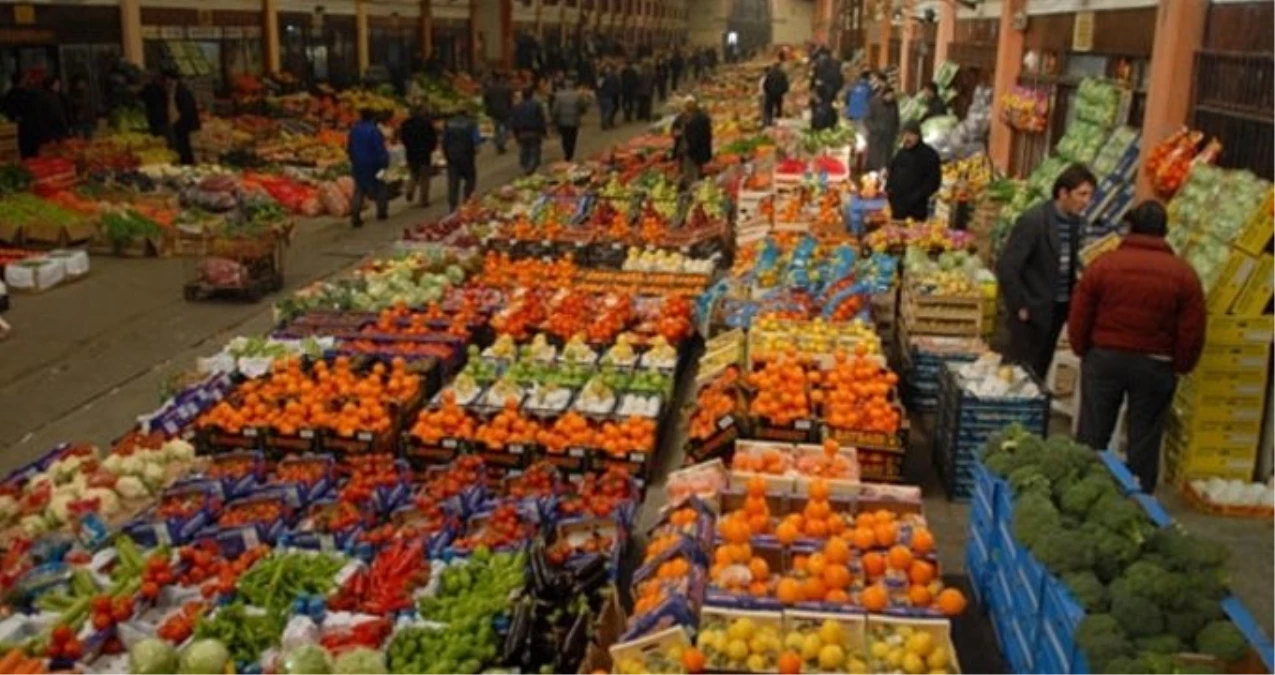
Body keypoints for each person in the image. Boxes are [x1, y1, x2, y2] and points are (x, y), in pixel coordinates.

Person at [1069, 202, 1206, 490]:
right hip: (1156, 365)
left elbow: (1080, 313)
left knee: (1093, 432)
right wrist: (1179, 365)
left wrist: (1083, 350)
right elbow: (1192, 330)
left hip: (1105, 358)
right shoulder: (1184, 275)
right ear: (1165, 231)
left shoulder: (1104, 265)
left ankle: (1082, 492)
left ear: (1130, 228)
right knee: (1144, 438)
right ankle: (1140, 501)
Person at [996, 163, 1098, 379]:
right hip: (1032, 311)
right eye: (1082, 194)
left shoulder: (1074, 224)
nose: (1086, 201)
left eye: (1090, 196)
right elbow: (1007, 266)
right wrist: (1020, 305)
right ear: (1063, 192)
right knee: (1022, 373)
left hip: (1057, 310)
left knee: (1041, 369)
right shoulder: (1034, 221)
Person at [885, 121, 941, 222]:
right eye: (905, 134)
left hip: (916, 211)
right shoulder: (901, 154)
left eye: (911, 134)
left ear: (918, 135)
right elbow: (892, 173)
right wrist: (889, 189)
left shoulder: (929, 155)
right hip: (897, 210)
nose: (907, 138)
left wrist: (917, 197)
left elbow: (933, 182)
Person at [346, 108, 390, 227]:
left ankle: (355, 216)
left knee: (359, 189)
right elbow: (379, 148)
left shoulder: (354, 130)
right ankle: (382, 212)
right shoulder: (374, 131)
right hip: (375, 164)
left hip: (359, 164)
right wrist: (384, 161)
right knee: (381, 186)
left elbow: (349, 147)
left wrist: (353, 159)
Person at [398, 104, 437, 207]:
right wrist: (431, 147)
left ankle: (410, 190)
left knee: (413, 174)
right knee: (425, 177)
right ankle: (423, 200)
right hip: (424, 152)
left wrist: (408, 146)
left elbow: (403, 138)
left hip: (411, 153)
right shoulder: (426, 123)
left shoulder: (405, 124)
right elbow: (432, 137)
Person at [441, 108, 479, 213]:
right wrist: (475, 149)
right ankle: (467, 200)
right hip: (467, 155)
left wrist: (446, 153)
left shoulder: (448, 124)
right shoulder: (471, 124)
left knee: (453, 180)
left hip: (452, 156)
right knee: (470, 178)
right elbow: (476, 139)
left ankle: (452, 205)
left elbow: (444, 140)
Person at [510, 87, 548, 175]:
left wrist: (516, 134)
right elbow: (541, 119)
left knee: (524, 149)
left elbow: (514, 121)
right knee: (534, 150)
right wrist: (544, 131)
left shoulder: (517, 106)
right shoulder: (536, 105)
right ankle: (530, 168)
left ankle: (524, 165)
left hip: (522, 132)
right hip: (534, 131)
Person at [551, 79, 588, 162]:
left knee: (564, 138)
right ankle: (570, 153)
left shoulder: (559, 96)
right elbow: (582, 106)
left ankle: (566, 152)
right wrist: (581, 112)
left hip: (562, 120)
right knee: (572, 138)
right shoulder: (577, 96)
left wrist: (554, 119)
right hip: (574, 120)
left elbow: (555, 109)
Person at [864, 86, 899, 172]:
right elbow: (867, 119)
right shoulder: (874, 103)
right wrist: (874, 129)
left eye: (892, 95)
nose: (890, 97)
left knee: (886, 159)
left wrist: (896, 131)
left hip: (889, 137)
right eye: (889, 95)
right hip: (876, 137)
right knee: (875, 159)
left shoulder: (894, 104)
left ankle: (884, 176)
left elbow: (897, 119)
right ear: (883, 95)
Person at [680, 96, 712, 187]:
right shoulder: (702, 118)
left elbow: (695, 138)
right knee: (697, 170)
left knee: (691, 173)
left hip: (693, 151)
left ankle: (692, 189)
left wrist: (688, 149)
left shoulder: (694, 121)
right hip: (700, 151)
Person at [169, 72, 200, 165]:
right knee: (185, 146)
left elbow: (187, 110)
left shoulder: (181, 91)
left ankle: (188, 163)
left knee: (185, 147)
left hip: (184, 125)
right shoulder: (177, 90)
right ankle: (187, 162)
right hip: (183, 124)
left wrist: (179, 123)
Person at [482, 72, 513, 154]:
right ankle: (501, 142)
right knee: (506, 129)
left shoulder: (489, 90)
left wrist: (487, 110)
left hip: (493, 112)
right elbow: (509, 100)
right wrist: (510, 109)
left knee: (495, 130)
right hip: (505, 111)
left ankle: (499, 143)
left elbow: (485, 101)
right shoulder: (506, 88)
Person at [761, 61, 789, 127]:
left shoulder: (770, 73)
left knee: (769, 108)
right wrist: (783, 91)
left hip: (770, 94)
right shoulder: (782, 74)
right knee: (779, 107)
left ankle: (769, 121)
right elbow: (785, 84)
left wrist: (767, 92)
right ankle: (778, 121)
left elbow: (765, 84)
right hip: (779, 94)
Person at [598, 64, 620, 130]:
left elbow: (599, 86)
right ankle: (604, 123)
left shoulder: (602, 77)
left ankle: (603, 123)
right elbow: (617, 86)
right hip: (608, 95)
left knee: (603, 111)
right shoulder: (614, 77)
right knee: (608, 110)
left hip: (602, 95)